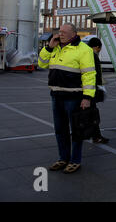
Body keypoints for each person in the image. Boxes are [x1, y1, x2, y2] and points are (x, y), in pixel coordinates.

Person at [38, 23, 96, 174]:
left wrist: (87, 97)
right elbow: (41, 64)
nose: (60, 34)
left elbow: (89, 74)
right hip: (56, 95)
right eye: (59, 32)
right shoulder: (55, 47)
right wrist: (49, 47)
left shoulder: (84, 50)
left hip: (74, 97)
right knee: (60, 130)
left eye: (63, 32)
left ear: (73, 34)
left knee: (76, 130)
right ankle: (63, 158)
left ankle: (75, 160)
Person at [87, 37, 109, 144]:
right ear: (96, 47)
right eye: (99, 49)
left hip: (84, 89)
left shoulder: (84, 53)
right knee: (93, 114)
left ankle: (89, 134)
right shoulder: (92, 56)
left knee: (86, 113)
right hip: (90, 90)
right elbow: (94, 73)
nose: (99, 51)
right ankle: (96, 136)